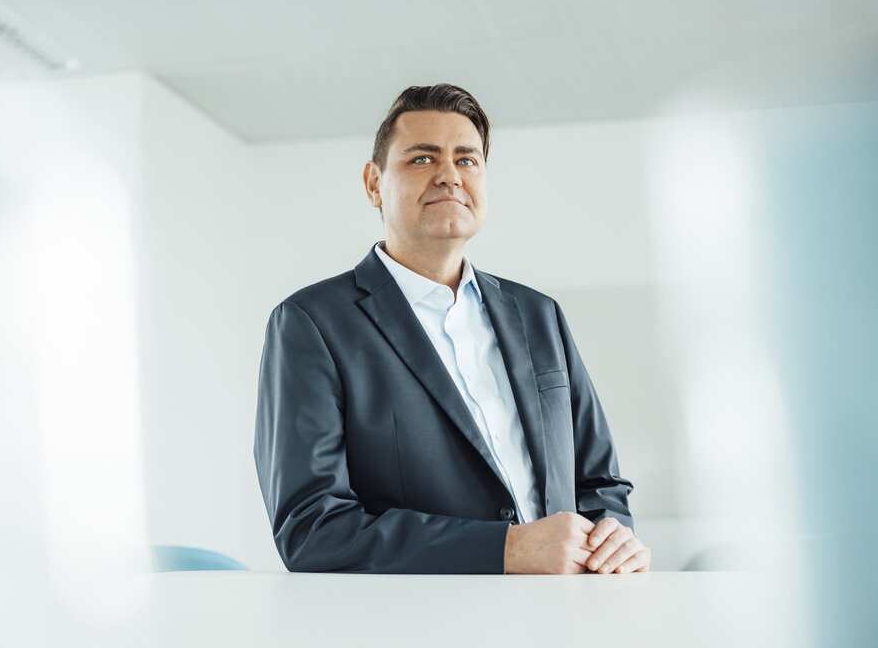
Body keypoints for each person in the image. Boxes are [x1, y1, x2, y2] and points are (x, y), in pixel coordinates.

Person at [254, 84, 650, 575]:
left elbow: (600, 481)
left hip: (564, 615)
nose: (448, 176)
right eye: (422, 159)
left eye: (467, 160)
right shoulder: (312, 324)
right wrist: (504, 549)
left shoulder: (539, 314)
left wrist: (613, 534)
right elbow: (311, 529)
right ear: (374, 184)